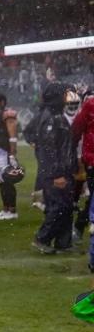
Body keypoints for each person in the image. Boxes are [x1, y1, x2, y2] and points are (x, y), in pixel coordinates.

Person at [27, 83, 78, 254]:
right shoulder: (51, 118)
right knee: (59, 207)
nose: (67, 97)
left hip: (61, 170)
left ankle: (64, 243)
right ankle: (42, 238)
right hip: (55, 173)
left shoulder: (55, 115)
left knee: (67, 207)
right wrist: (57, 174)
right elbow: (50, 150)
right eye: (64, 94)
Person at [0, 93, 20, 220]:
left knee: (8, 180)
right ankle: (5, 209)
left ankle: (12, 210)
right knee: (1, 181)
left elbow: (12, 134)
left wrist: (12, 153)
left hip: (4, 150)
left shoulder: (7, 114)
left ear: (2, 102)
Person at [71, 90, 94, 237]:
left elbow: (77, 128)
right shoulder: (90, 105)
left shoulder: (90, 105)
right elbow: (76, 129)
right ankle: (81, 225)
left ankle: (80, 225)